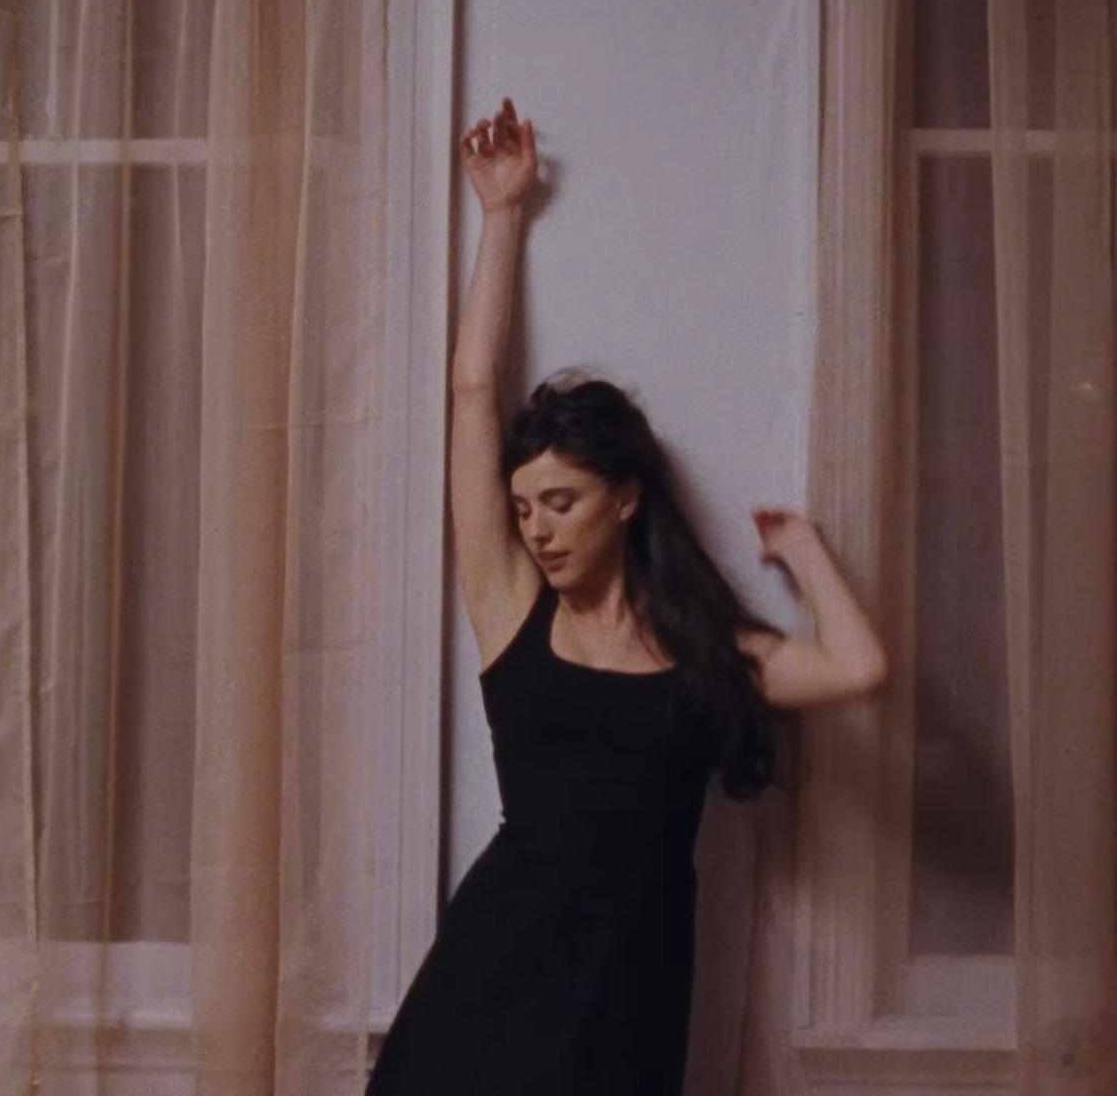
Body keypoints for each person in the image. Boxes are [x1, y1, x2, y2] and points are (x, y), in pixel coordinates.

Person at [363, 97, 889, 1096]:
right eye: (524, 509)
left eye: (560, 503)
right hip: (489, 977)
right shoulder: (512, 613)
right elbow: (472, 391)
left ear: (625, 497)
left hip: (629, 994)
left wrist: (805, 551)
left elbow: (861, 670)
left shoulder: (707, 654)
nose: (537, 529)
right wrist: (501, 216)